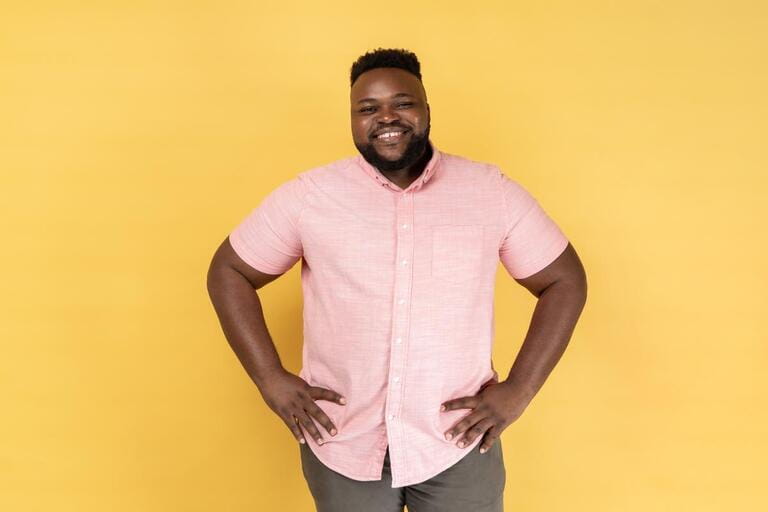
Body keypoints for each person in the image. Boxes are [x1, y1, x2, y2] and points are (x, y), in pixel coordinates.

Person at [207, 47, 587, 512]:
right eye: (367, 109)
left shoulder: (489, 191)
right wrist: (270, 379)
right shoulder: (311, 196)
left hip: (456, 443)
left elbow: (564, 280)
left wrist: (519, 391)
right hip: (343, 441)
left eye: (402, 103)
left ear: (427, 110)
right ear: (352, 120)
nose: (386, 117)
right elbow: (229, 271)